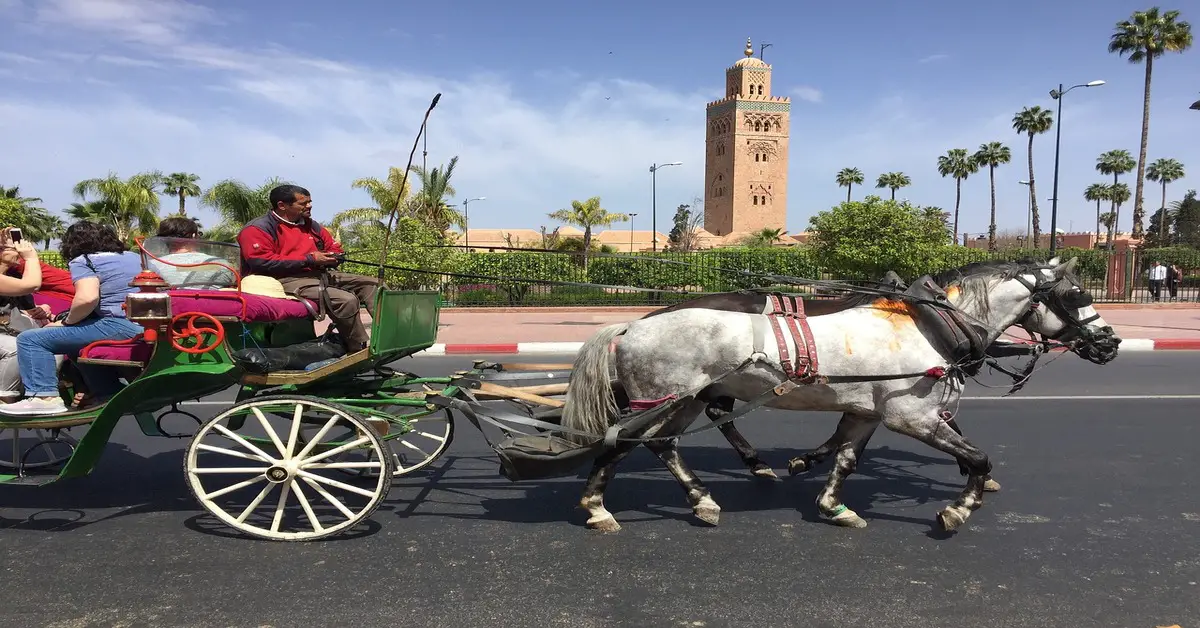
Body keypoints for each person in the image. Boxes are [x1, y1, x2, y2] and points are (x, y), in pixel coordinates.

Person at [0, 221, 145, 416]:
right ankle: (106, 392)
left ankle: (44, 397)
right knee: (74, 346)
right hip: (144, 325)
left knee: (30, 339)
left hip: (118, 324)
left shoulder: (85, 260)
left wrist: (66, 322)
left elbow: (87, 298)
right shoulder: (134, 257)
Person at [236, 184, 381, 353]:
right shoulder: (257, 229)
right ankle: (358, 349)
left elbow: (334, 248)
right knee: (346, 300)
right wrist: (309, 260)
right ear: (282, 206)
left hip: (318, 275)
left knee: (375, 285)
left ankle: (389, 337)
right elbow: (261, 262)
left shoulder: (312, 225)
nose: (309, 206)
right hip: (280, 281)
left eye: (310, 202)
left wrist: (334, 257)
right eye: (303, 203)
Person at [0, 234, 43, 400]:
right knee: (15, 348)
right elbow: (32, 284)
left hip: (9, 331)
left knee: (54, 348)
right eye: (14, 247)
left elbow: (27, 307)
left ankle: (40, 396)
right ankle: (4, 400)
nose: (20, 250)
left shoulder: (14, 278)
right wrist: (31, 258)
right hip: (7, 337)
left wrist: (40, 310)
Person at [148, 216, 236, 289]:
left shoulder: (150, 266)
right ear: (193, 236)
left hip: (166, 309)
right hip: (207, 309)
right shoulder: (221, 264)